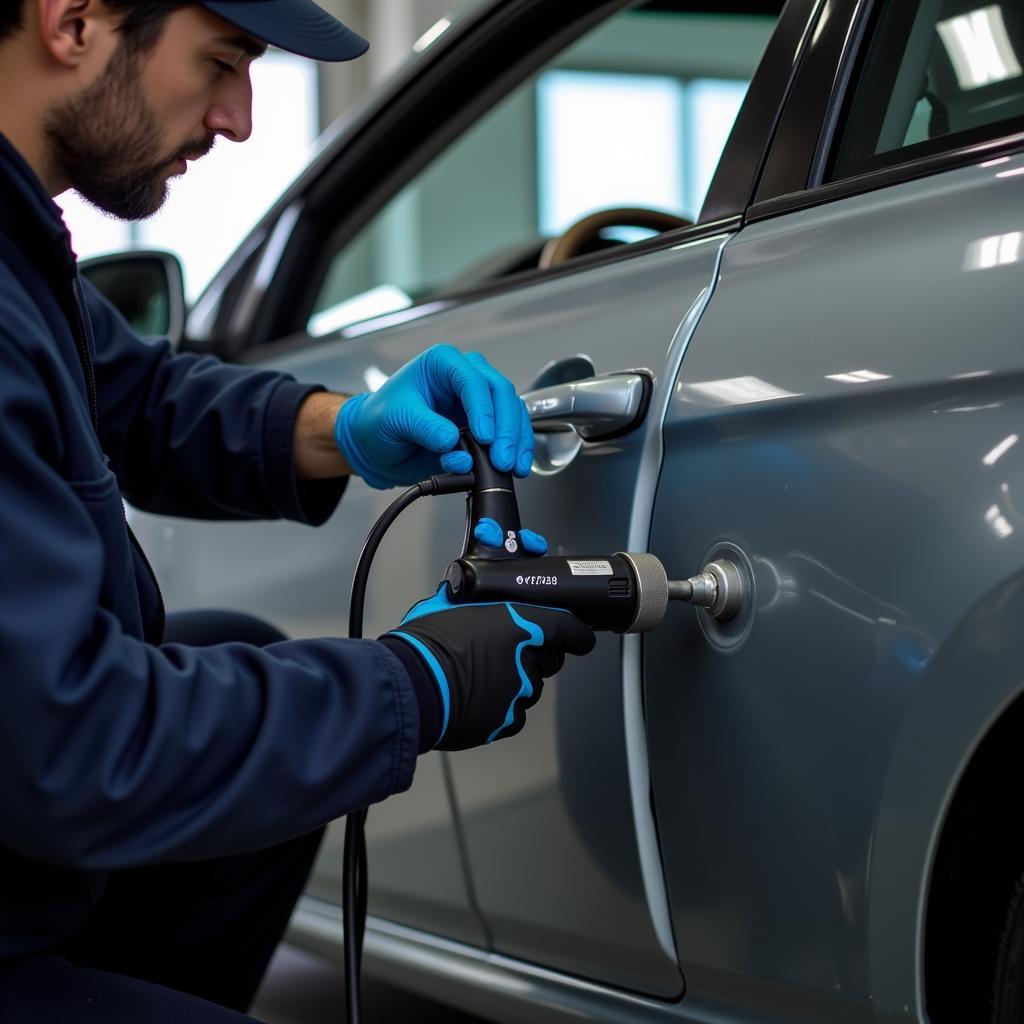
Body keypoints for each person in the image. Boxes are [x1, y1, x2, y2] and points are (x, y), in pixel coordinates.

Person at [0, 1, 596, 1020]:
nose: (235, 118)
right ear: (77, 19)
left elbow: (138, 399)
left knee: (233, 650)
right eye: (222, 61)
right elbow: (71, 744)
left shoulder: (19, 251)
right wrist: (418, 683)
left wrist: (352, 425)